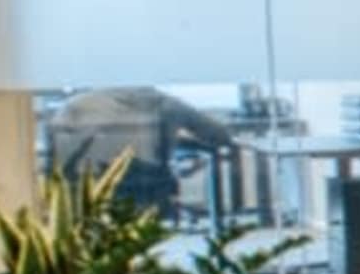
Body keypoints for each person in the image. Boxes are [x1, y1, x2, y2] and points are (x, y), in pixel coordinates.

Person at [42, 86, 237, 219]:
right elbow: (219, 136)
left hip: (81, 194)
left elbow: (56, 156)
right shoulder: (165, 103)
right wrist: (176, 139)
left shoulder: (73, 106)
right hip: (145, 187)